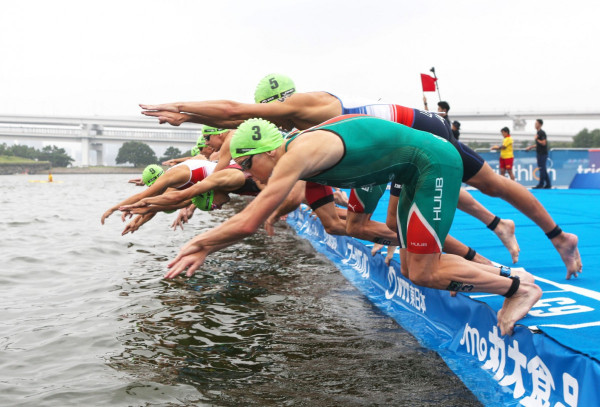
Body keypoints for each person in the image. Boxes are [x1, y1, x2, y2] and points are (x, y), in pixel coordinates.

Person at [139, 79, 582, 279]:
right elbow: (231, 140)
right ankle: (477, 244)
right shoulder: (286, 138)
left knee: (484, 184)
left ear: (275, 104)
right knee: (354, 224)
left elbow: (233, 112)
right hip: (372, 148)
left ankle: (540, 233)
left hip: (411, 131)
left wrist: (183, 108)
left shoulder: (303, 107)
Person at [167, 116, 541, 336]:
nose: (249, 175)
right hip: (402, 168)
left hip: (431, 163)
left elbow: (249, 220)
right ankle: (504, 276)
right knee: (409, 263)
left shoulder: (296, 155)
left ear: (266, 151)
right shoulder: (294, 148)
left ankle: (519, 288)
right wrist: (203, 234)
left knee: (424, 271)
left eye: (248, 165)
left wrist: (201, 244)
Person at [526, 119, 551, 189]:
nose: (535, 125)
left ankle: (541, 184)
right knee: (543, 169)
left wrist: (536, 139)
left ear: (540, 124)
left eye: (536, 123)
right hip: (539, 153)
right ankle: (548, 184)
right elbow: (539, 144)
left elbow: (543, 143)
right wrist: (531, 147)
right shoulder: (538, 133)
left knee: (542, 168)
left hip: (542, 153)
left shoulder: (542, 133)